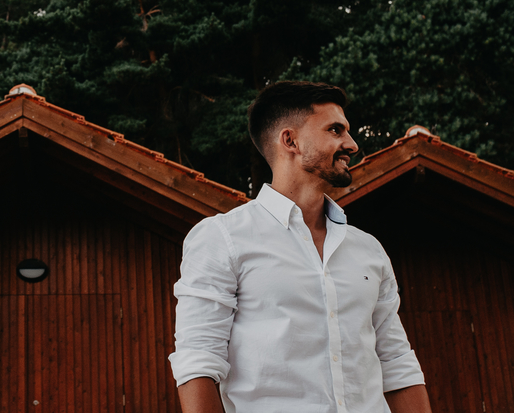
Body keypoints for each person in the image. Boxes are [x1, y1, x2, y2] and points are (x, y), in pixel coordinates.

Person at [169, 81, 431, 413]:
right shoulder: (222, 238)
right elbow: (199, 363)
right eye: (335, 130)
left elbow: (395, 361)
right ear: (290, 141)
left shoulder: (369, 250)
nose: (351, 144)